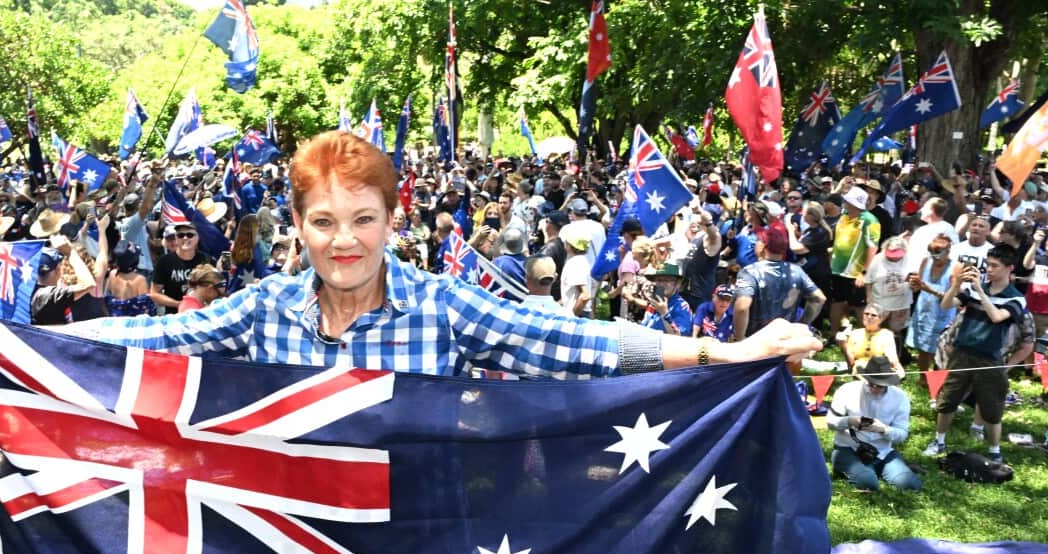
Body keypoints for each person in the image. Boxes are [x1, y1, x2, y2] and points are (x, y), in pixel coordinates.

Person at [69, 131, 819, 376]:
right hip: (294, 551)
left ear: (393, 220)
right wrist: (18, 344)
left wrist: (718, 355)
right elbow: (155, 334)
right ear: (297, 226)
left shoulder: (440, 304)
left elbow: (563, 339)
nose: (344, 241)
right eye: (324, 221)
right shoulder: (261, 308)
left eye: (363, 219)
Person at [925, 244, 1026, 462]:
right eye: (988, 265)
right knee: (948, 399)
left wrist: (980, 291)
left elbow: (997, 317)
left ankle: (994, 451)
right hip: (962, 353)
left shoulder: (1016, 297)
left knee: (992, 408)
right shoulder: (971, 290)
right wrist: (957, 285)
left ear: (1009, 268)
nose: (989, 270)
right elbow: (945, 305)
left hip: (990, 358)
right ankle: (939, 440)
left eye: (995, 266)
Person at [826, 355, 919, 491]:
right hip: (849, 447)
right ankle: (861, 470)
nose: (874, 389)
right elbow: (830, 422)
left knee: (909, 485)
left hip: (883, 451)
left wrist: (884, 430)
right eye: (871, 384)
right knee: (868, 483)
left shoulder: (900, 397)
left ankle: (882, 469)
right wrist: (850, 421)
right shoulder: (847, 390)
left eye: (880, 386)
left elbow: (902, 433)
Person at [733, 227, 825, 341]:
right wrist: (802, 324)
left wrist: (739, 339)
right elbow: (819, 298)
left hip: (754, 341)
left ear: (763, 246)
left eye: (757, 241)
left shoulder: (750, 272)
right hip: (784, 339)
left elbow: (742, 307)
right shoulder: (796, 271)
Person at [829, 186, 880, 334]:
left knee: (859, 306)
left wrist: (864, 272)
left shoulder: (870, 221)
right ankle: (833, 335)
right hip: (837, 269)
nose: (844, 202)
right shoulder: (844, 216)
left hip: (855, 272)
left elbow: (872, 248)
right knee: (836, 302)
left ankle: (866, 336)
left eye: (847, 200)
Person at [906, 233, 957, 373]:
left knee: (941, 348)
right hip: (924, 309)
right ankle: (923, 378)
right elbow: (918, 286)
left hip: (943, 312)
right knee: (923, 347)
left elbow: (955, 297)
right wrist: (914, 284)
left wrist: (930, 290)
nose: (934, 258)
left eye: (938, 254)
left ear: (948, 252)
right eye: (931, 253)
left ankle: (937, 378)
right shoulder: (926, 261)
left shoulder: (955, 268)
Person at [30, 237, 98, 326]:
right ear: (59, 269)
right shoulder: (50, 296)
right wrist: (71, 253)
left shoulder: (28, 290)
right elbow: (89, 284)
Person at [151, 222, 215, 311]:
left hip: (201, 315)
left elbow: (215, 289)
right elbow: (154, 294)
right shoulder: (164, 261)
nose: (185, 238)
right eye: (180, 235)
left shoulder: (206, 260)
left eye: (190, 235)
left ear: (197, 238)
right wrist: (180, 304)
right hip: (175, 317)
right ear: (176, 238)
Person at [859, 235, 912, 335]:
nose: (893, 258)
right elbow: (869, 280)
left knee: (897, 330)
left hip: (901, 303)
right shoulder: (878, 258)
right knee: (874, 327)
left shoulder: (909, 259)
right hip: (880, 302)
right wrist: (869, 297)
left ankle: (896, 347)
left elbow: (914, 278)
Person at [837, 304, 905, 377]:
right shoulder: (855, 333)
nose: (869, 317)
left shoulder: (886, 334)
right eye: (866, 314)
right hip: (860, 370)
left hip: (880, 369)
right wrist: (843, 343)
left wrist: (896, 368)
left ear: (880, 319)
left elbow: (892, 358)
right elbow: (851, 362)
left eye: (873, 315)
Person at [638, 263, 693, 336]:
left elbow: (679, 336)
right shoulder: (654, 303)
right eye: (659, 280)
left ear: (678, 284)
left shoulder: (681, 306)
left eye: (667, 280)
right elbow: (644, 326)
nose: (662, 284)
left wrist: (664, 313)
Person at [104, 242, 156, 317]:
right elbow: (146, 308)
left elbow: (106, 299)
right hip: (133, 323)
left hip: (116, 319)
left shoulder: (112, 274)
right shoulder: (140, 280)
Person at [559, 223, 595, 318]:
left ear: (569, 245)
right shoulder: (581, 260)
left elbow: (585, 296)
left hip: (579, 315)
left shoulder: (576, 263)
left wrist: (572, 316)